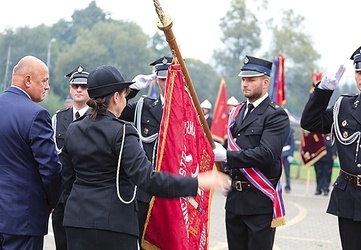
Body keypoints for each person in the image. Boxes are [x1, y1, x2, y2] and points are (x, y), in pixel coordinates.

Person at [60, 65, 230, 250]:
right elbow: (148, 179)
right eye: (124, 95)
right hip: (114, 225)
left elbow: (67, 181)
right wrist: (196, 182)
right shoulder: (123, 132)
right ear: (116, 97)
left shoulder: (73, 129)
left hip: (76, 221)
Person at [301, 45, 361, 250]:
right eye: (358, 72)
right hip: (349, 201)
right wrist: (323, 91)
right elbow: (310, 123)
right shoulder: (344, 106)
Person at [213, 55, 290, 250]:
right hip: (235, 200)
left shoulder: (275, 115)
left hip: (258, 200)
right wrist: (227, 174)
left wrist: (227, 157)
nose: (245, 84)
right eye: (243, 79)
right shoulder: (237, 111)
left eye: (251, 79)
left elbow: (266, 154)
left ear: (265, 83)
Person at [0, 55, 62, 250]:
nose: (47, 87)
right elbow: (50, 168)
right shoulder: (36, 115)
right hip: (22, 220)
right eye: (44, 80)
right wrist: (52, 201)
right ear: (27, 80)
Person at [119, 55, 171, 247]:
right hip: (145, 192)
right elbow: (113, 108)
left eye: (171, 78)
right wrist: (131, 89)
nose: (167, 83)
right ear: (157, 79)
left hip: (173, 190)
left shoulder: (187, 111)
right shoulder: (144, 106)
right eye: (163, 78)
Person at [51, 64, 90, 250]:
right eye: (75, 86)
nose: (79, 90)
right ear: (70, 88)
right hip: (62, 200)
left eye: (84, 86)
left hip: (87, 198)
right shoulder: (58, 118)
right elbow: (51, 159)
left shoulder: (97, 118)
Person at [282, 125, 295, 193]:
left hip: (286, 154)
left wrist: (291, 155)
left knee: (287, 172)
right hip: (278, 153)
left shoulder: (290, 130)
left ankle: (288, 186)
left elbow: (292, 143)